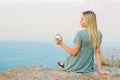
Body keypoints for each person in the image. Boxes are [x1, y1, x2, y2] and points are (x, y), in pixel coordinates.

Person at [54, 11, 110, 75]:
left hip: (74, 67)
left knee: (69, 62)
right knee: (69, 61)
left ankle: (66, 64)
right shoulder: (99, 34)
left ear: (88, 20)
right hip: (87, 68)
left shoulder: (80, 34)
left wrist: (61, 44)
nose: (80, 21)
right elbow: (97, 52)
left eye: (82, 19)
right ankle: (66, 63)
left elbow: (74, 53)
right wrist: (100, 70)